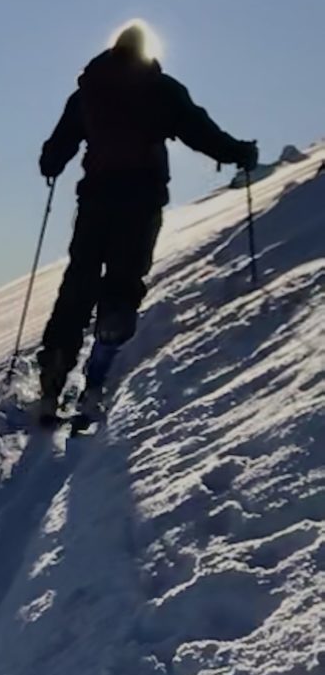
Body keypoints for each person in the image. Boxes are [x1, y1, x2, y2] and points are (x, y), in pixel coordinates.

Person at [35, 21, 257, 419]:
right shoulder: (162, 90)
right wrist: (239, 151)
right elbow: (200, 131)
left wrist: (51, 161)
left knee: (79, 282)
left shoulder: (88, 91)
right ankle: (96, 379)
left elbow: (59, 145)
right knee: (122, 285)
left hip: (95, 201)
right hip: (140, 202)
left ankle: (53, 373)